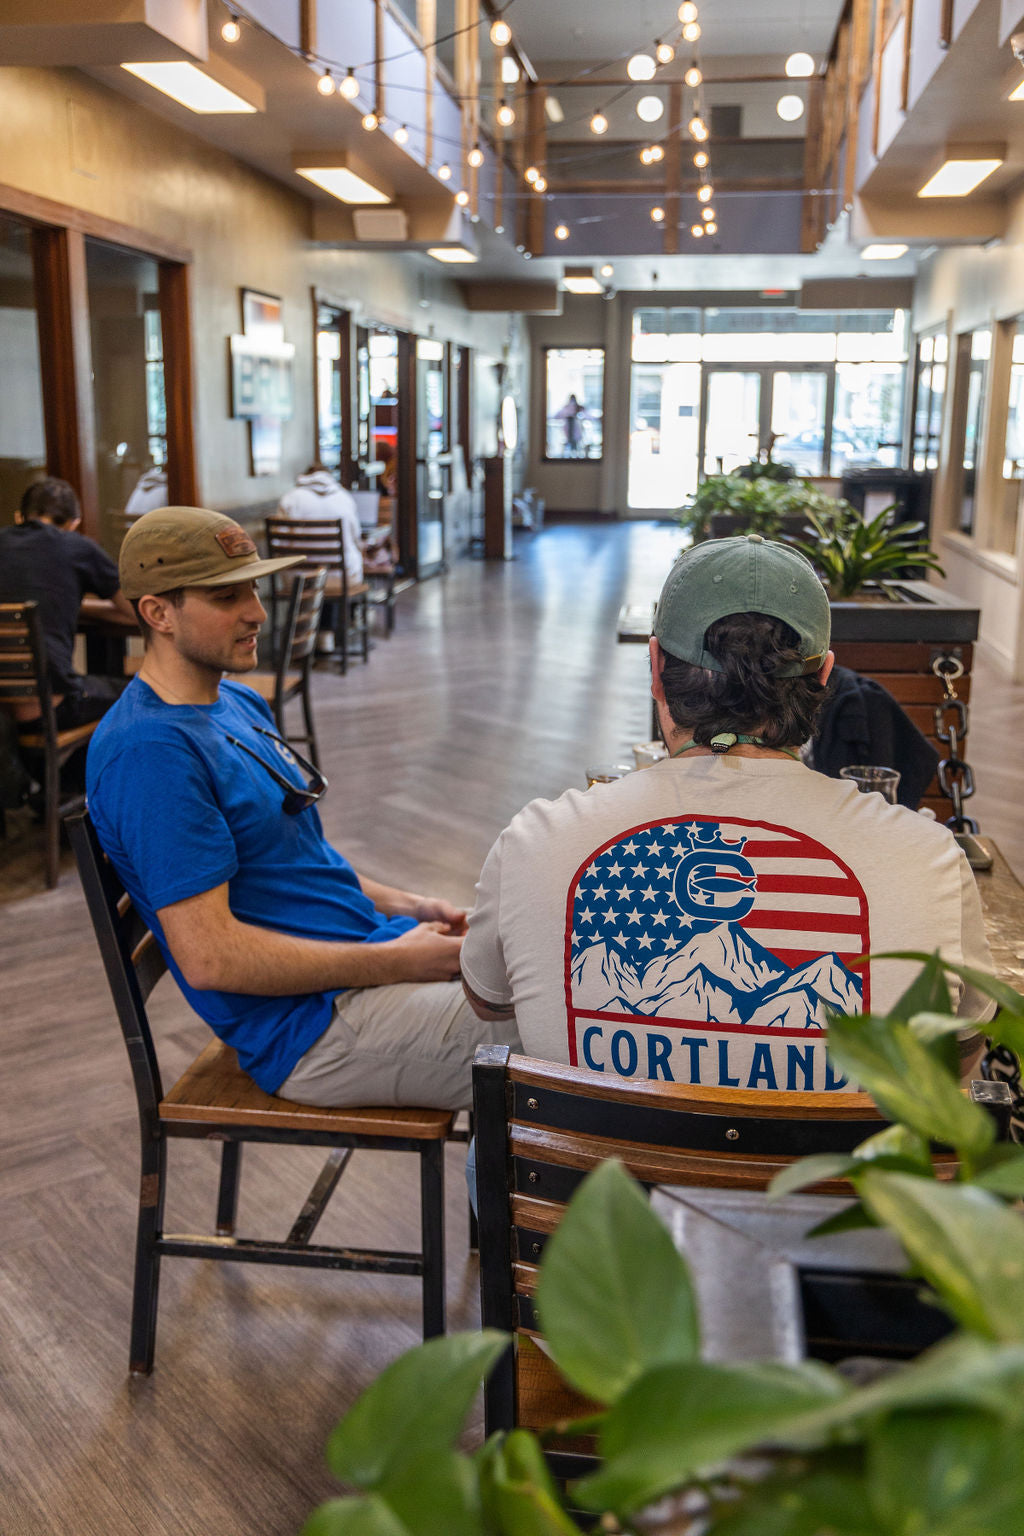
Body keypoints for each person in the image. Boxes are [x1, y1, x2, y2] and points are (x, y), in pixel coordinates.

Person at [461, 534, 995, 1093]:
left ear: (656, 668)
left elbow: (487, 998)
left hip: (600, 1182)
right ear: (823, 679)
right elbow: (958, 1055)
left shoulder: (536, 841)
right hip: (831, 1182)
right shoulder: (927, 857)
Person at [86, 506, 519, 1109]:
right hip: (316, 1030)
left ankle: (506, 1188)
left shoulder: (234, 702)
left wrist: (410, 906)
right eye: (225, 596)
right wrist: (393, 961)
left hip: (363, 961)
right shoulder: (152, 753)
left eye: (254, 589)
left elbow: (293, 857)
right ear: (158, 612)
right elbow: (210, 958)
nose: (257, 613)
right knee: (569, 1032)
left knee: (565, 986)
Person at [0, 477, 133, 731]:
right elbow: (138, 612)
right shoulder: (77, 547)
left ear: (20, 518)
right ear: (74, 523)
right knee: (140, 693)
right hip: (46, 709)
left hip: (3, 717)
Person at [278, 463, 363, 586]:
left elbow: (280, 543)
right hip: (342, 576)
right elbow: (356, 537)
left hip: (298, 578)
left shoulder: (290, 498)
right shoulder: (344, 496)